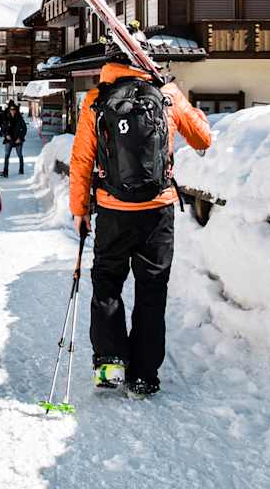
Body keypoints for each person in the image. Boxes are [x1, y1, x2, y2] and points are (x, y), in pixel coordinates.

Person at [68, 38, 211, 398]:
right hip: (157, 211)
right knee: (151, 291)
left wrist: (80, 210)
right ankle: (144, 374)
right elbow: (203, 139)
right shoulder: (166, 95)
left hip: (113, 209)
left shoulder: (96, 99)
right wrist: (180, 99)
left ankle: (110, 363)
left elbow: (82, 159)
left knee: (107, 284)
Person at [0, 102, 27, 177]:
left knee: (20, 155)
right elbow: (3, 129)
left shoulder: (19, 118)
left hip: (18, 139)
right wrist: (6, 135)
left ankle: (21, 169)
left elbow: (24, 129)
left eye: (13, 109)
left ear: (15, 110)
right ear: (9, 110)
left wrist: (20, 138)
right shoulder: (6, 118)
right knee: (7, 155)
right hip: (9, 140)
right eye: (11, 109)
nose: (12, 111)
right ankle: (5, 172)